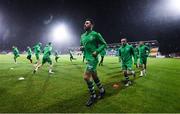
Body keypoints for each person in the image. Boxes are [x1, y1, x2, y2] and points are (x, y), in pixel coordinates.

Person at [80, 18, 107, 106]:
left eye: (87, 23)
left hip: (93, 59)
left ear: (92, 25)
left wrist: (97, 51)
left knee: (86, 77)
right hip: (88, 58)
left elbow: (104, 44)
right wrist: (82, 48)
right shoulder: (82, 36)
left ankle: (93, 96)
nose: (85, 24)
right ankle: (102, 91)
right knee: (95, 77)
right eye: (85, 23)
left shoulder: (95, 34)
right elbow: (82, 45)